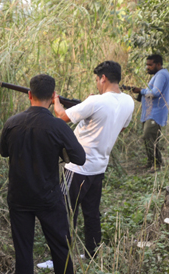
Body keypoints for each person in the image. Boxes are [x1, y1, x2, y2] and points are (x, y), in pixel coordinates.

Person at [0, 74, 86, 274]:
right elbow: (79, 157)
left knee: (23, 251)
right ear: (52, 97)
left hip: (19, 198)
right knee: (60, 247)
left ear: (29, 95)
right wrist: (60, 152)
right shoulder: (58, 126)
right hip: (49, 197)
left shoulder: (12, 122)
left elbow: (3, 152)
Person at [51, 61, 134, 259]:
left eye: (97, 80)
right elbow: (121, 127)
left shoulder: (96, 102)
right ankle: (91, 254)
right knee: (92, 214)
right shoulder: (129, 102)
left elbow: (61, 116)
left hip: (77, 167)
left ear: (103, 78)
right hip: (99, 167)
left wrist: (55, 99)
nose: (97, 84)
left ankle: (61, 258)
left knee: (63, 212)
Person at [130, 54, 169, 170]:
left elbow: (155, 93)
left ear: (158, 64)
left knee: (149, 136)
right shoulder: (158, 75)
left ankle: (157, 164)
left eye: (150, 65)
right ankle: (151, 162)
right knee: (148, 138)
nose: (147, 67)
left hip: (156, 113)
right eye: (147, 65)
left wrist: (140, 90)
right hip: (150, 113)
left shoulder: (162, 75)